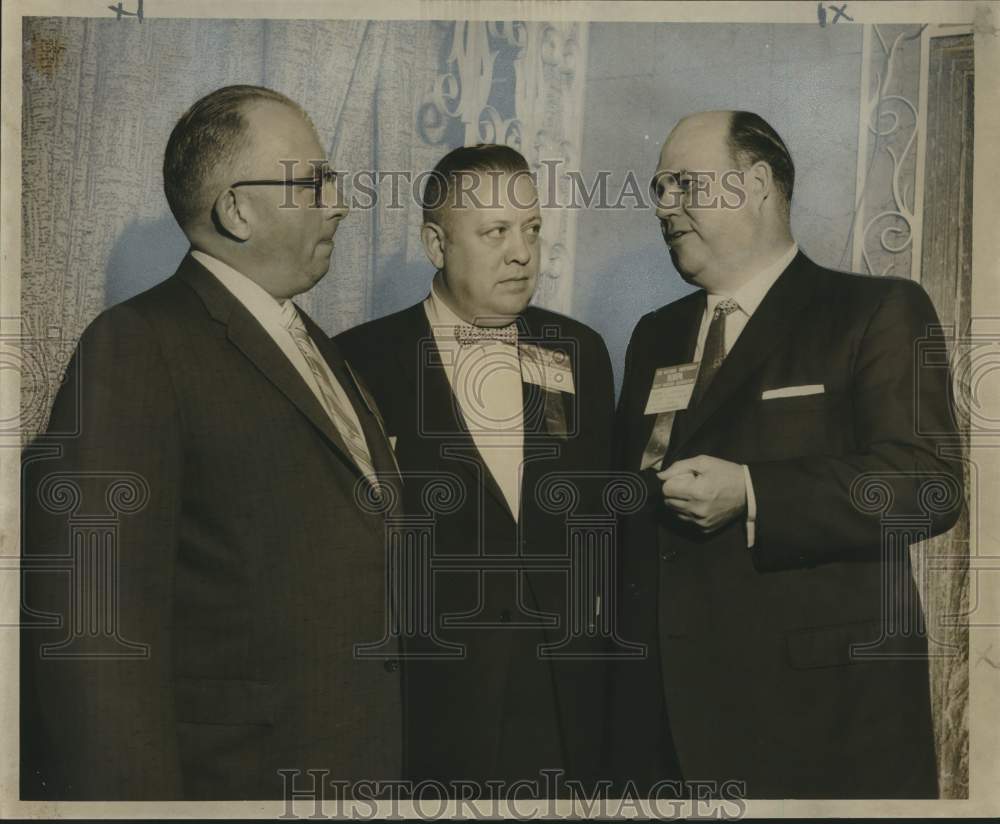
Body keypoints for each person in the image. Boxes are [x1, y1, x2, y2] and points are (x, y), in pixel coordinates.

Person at [21, 85, 403, 800]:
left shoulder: (316, 346)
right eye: (314, 181)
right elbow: (98, 636)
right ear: (236, 209)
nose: (341, 203)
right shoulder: (135, 346)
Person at [612, 110, 963, 799]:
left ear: (757, 184)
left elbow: (928, 485)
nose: (664, 207)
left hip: (821, 731)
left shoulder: (874, 309)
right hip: (664, 735)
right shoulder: (654, 336)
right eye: (658, 189)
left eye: (684, 184)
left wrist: (754, 492)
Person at [336, 144, 616, 797]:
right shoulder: (359, 362)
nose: (523, 252)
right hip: (429, 704)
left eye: (532, 229)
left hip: (566, 701)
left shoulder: (582, 353)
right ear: (437, 244)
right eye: (495, 232)